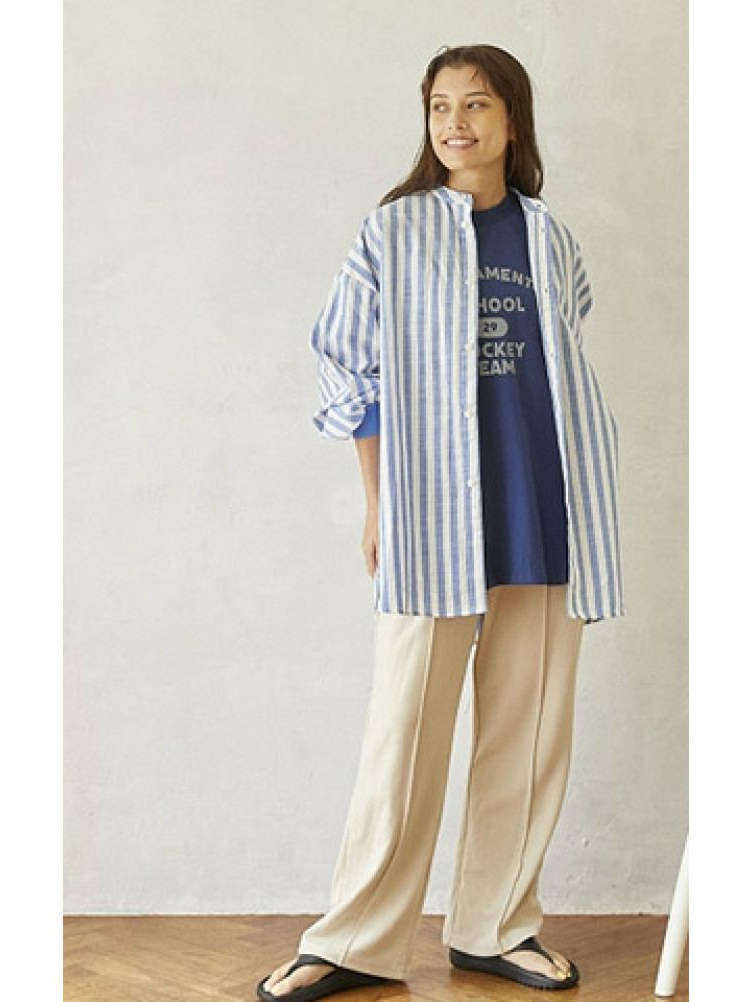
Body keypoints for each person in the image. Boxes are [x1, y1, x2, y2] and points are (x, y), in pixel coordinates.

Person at [257, 43, 623, 1002]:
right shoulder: (393, 232)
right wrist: (379, 505)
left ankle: (497, 926)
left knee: (528, 730)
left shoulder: (551, 237)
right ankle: (354, 938)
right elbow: (349, 367)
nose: (456, 123)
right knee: (404, 729)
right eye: (440, 106)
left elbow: (565, 362)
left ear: (513, 121)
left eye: (477, 104)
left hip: (547, 502)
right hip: (433, 514)